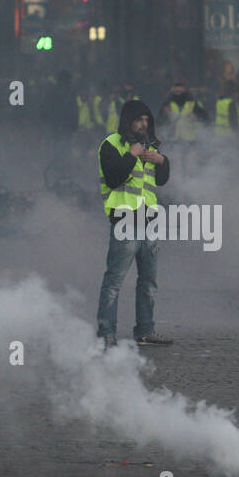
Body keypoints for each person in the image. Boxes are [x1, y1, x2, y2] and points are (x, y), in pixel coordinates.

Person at [96, 100, 173, 348]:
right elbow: (113, 177)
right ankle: (106, 333)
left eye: (147, 120)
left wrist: (162, 162)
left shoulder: (151, 146)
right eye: (139, 120)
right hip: (125, 220)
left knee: (149, 281)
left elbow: (159, 182)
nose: (144, 125)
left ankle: (145, 331)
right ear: (128, 121)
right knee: (114, 282)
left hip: (149, 220)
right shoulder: (111, 145)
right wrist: (131, 156)